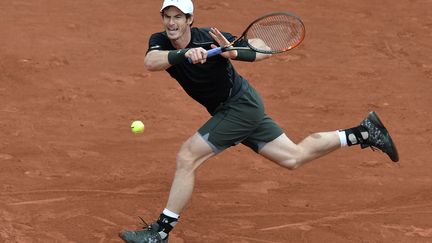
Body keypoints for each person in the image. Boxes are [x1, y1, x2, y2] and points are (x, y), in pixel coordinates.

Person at [119, 0, 399, 242]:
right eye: (167, 17)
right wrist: (184, 54)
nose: (171, 23)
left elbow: (262, 47)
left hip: (239, 107)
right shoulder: (159, 40)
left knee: (187, 156)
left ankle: (161, 233)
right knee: (293, 157)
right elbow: (152, 62)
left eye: (178, 17)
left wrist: (233, 52)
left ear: (190, 19)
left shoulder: (211, 38)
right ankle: (364, 132)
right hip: (239, 107)